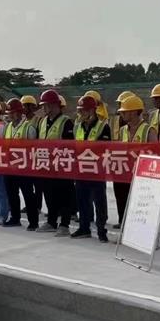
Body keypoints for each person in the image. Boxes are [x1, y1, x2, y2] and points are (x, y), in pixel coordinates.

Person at [71, 96, 111, 242]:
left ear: (92, 110)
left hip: (96, 169)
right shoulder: (78, 126)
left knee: (99, 201)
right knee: (82, 199)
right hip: (81, 168)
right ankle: (84, 228)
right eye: (80, 110)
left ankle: (101, 230)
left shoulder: (103, 126)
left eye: (84, 110)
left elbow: (104, 147)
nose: (81, 113)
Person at [113, 95, 157, 229]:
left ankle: (152, 228)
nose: (122, 114)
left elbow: (155, 154)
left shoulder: (149, 130)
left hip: (142, 175)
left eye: (124, 112)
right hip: (125, 172)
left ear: (133, 112)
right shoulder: (122, 130)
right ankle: (123, 223)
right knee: (121, 198)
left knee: (144, 203)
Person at [36, 90, 75, 235]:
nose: (43, 108)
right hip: (46, 164)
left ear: (53, 105)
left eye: (45, 105)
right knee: (49, 194)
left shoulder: (66, 122)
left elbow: (69, 145)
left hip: (62, 165)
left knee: (64, 194)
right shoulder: (43, 121)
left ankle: (64, 225)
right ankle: (51, 222)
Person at [3, 98, 39, 229]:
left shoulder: (28, 127)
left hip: (24, 167)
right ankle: (15, 218)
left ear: (19, 112)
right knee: (12, 194)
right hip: (10, 166)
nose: (11, 115)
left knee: (28, 195)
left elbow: (34, 148)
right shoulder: (7, 128)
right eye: (9, 113)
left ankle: (33, 221)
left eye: (13, 113)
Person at [21, 94, 44, 216]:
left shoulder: (38, 120)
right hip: (26, 157)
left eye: (24, 106)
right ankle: (30, 204)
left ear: (30, 107)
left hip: (36, 156)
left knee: (38, 184)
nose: (22, 109)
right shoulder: (23, 121)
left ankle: (38, 206)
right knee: (28, 184)